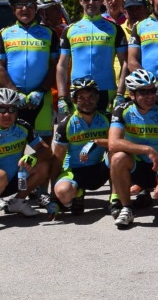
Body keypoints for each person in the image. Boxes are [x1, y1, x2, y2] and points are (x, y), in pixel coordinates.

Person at [0, 88, 58, 232]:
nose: (7, 114)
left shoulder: (23, 126)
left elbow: (46, 151)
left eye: (11, 109)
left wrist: (34, 157)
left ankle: (18, 201)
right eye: (1, 109)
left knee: (43, 165)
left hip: (15, 179)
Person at [108, 70, 158, 228]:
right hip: (137, 165)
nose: (150, 96)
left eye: (152, 91)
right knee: (117, 158)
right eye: (144, 92)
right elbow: (113, 143)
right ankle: (127, 207)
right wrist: (147, 150)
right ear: (132, 94)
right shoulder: (121, 110)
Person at [0, 0, 61, 161]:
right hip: (13, 100)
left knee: (45, 146)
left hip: (41, 97)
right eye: (20, 4)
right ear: (13, 8)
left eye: (30, 4)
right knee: (14, 146)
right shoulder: (4, 33)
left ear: (36, 8)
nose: (25, 9)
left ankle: (41, 188)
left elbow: (55, 66)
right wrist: (15, 93)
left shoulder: (49, 33)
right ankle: (18, 186)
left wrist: (40, 90)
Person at [59, 0, 128, 113]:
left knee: (108, 132)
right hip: (78, 91)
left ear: (102, 0)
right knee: (81, 133)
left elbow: (125, 63)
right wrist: (62, 97)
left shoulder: (115, 29)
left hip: (107, 90)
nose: (91, 2)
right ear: (80, 1)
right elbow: (61, 65)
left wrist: (120, 93)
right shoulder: (69, 30)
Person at [51, 77, 112, 217]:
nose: (87, 101)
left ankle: (115, 199)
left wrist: (96, 141)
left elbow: (117, 144)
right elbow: (57, 160)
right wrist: (53, 197)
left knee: (118, 154)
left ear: (97, 98)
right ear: (73, 100)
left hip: (99, 168)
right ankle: (78, 193)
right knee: (62, 192)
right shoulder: (65, 124)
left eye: (91, 97)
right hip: (75, 170)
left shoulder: (107, 118)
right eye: (81, 98)